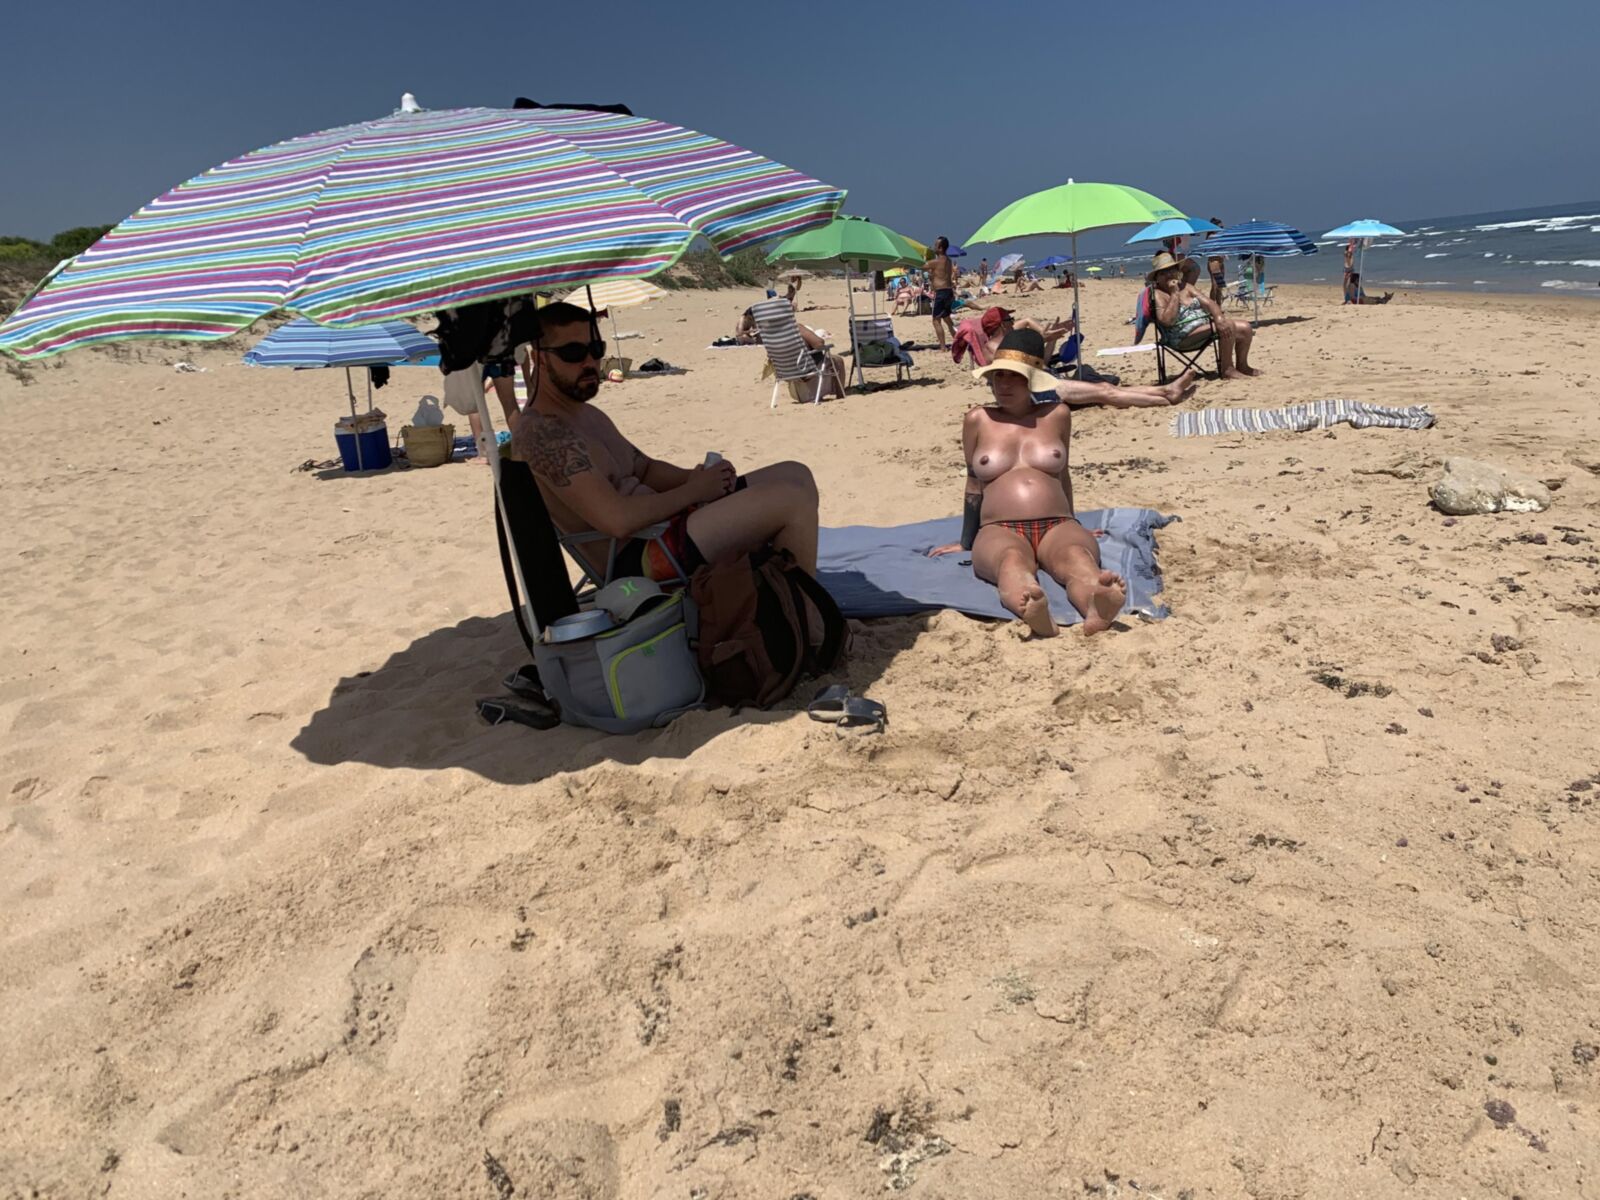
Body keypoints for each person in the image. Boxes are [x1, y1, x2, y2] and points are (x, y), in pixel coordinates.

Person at [512, 302, 820, 580]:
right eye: (573, 353)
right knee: (791, 501)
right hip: (638, 559)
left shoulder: (586, 414)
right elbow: (617, 521)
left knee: (796, 474)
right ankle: (808, 623)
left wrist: (695, 478)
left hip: (666, 527)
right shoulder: (542, 434)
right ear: (539, 358)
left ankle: (778, 593)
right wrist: (692, 491)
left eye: (596, 349)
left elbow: (644, 469)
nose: (589, 362)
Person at [928, 327, 1128, 638]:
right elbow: (973, 484)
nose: (1003, 385)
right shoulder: (978, 419)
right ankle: (1032, 606)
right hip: (1000, 527)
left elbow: (1062, 475)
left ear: (1033, 379)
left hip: (1058, 523)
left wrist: (1076, 522)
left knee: (1077, 558)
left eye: (1014, 376)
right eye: (998, 377)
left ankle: (1095, 603)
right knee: (1011, 562)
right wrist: (966, 541)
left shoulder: (1057, 414)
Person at [1147, 252, 1260, 379]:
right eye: (1163, 272)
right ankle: (1227, 369)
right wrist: (1174, 294)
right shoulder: (1157, 294)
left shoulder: (1186, 286)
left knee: (1245, 327)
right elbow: (1167, 321)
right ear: (1157, 278)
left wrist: (1218, 318)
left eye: (1171, 270)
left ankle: (1242, 366)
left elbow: (1210, 303)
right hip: (1180, 337)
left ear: (1177, 271)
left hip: (1203, 328)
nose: (1169, 274)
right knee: (1228, 324)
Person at [926, 237, 959, 350]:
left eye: (936, 245)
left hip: (941, 293)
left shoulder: (936, 262)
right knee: (947, 318)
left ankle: (943, 347)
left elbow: (921, 266)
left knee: (936, 320)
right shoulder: (948, 261)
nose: (934, 247)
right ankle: (958, 340)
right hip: (948, 292)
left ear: (940, 248)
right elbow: (939, 275)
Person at [1205, 217, 1226, 306]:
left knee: (1220, 287)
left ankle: (1218, 306)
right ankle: (1212, 306)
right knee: (1215, 286)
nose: (1221, 227)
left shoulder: (1218, 236)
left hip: (1220, 263)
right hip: (1213, 263)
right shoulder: (1211, 237)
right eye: (1220, 226)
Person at [1342, 238, 1358, 303]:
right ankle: (1347, 299)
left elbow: (1349, 263)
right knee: (1345, 285)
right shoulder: (1348, 254)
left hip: (1349, 270)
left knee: (1347, 286)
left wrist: (1351, 242)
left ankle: (1348, 299)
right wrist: (1351, 242)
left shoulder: (1349, 255)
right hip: (1347, 270)